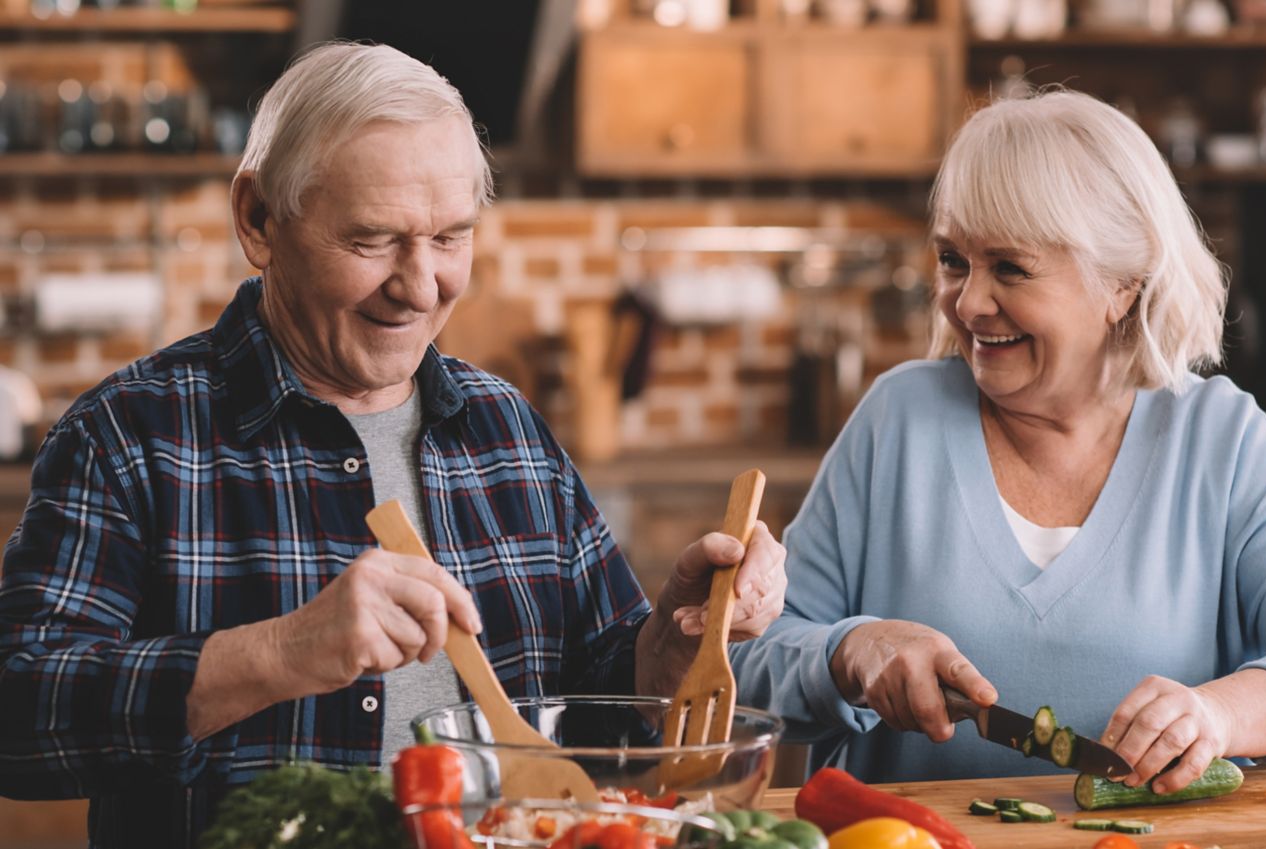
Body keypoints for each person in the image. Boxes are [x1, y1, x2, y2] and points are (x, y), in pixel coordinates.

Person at [0, 43, 786, 848]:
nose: (420, 285)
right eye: (373, 240)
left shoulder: (507, 430)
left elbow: (596, 699)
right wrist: (279, 651)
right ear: (259, 219)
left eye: (450, 237)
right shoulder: (129, 436)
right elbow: (21, 714)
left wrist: (675, 638)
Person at [730, 89, 1266, 791]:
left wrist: (1217, 714)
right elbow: (747, 660)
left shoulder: (1217, 439)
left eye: (1010, 268)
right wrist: (848, 650)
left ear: (1122, 284)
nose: (967, 301)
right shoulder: (898, 419)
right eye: (953, 260)